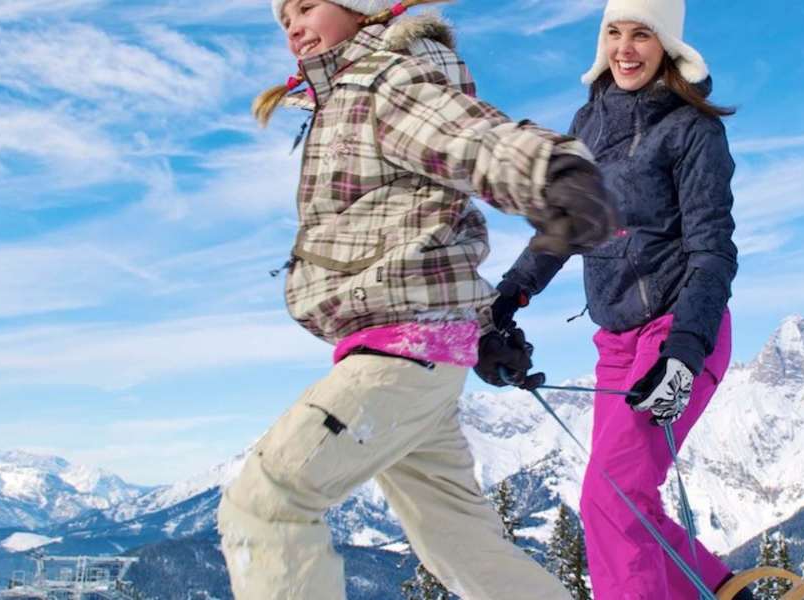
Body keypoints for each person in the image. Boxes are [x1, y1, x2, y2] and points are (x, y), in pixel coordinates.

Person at [217, 1, 617, 598]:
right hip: (413, 347)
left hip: (399, 355)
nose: (293, 26)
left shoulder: (382, 81)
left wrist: (550, 171)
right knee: (461, 547)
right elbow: (417, 236)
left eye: (306, 6)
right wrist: (482, 328)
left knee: (267, 501)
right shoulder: (340, 99)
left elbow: (467, 137)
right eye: (283, 20)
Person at [487, 0, 748, 597]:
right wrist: (509, 294)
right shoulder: (590, 126)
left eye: (642, 34)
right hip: (616, 341)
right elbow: (565, 227)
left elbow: (712, 252)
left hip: (681, 329)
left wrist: (684, 351)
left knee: (610, 497)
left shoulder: (692, 130)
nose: (626, 49)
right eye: (614, 33)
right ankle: (726, 591)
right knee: (625, 499)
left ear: (668, 46)